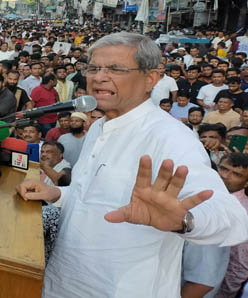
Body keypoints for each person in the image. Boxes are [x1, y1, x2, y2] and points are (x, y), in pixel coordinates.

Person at [16, 32, 248, 297]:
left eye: (115, 69)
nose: (99, 77)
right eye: (93, 68)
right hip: (63, 282)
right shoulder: (99, 127)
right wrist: (58, 194)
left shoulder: (170, 137)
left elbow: (233, 219)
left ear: (150, 78)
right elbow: (93, 197)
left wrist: (181, 220)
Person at [215, 153, 248, 297]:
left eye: (237, 174)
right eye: (223, 169)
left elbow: (239, 263)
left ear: (247, 182)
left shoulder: (242, 212)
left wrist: (223, 294)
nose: (226, 176)